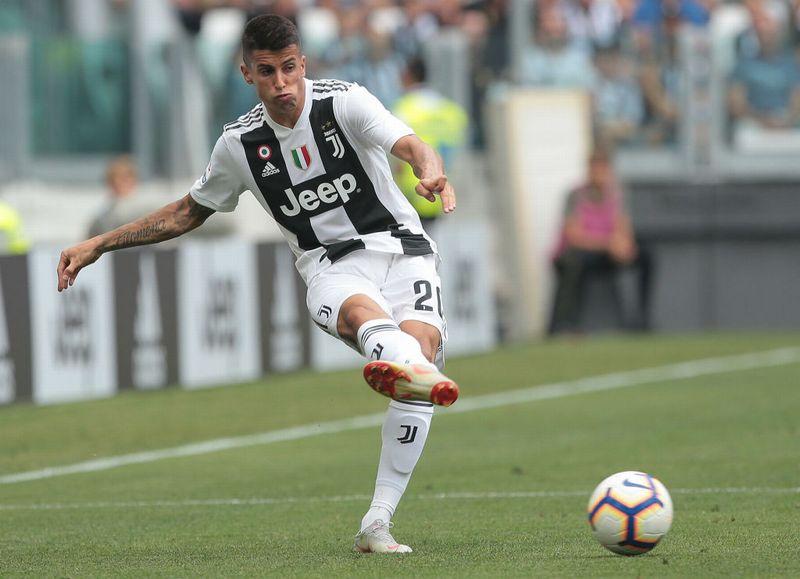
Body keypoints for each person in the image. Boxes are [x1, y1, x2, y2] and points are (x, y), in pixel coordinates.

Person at [56, 14, 459, 555]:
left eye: (289, 68)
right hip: (330, 267)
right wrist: (100, 243)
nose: (281, 83)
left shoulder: (345, 102)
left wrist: (430, 171)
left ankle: (377, 522)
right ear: (246, 73)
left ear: (303, 63)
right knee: (373, 326)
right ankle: (400, 361)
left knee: (421, 361)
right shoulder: (239, 144)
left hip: (403, 249)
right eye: (267, 72)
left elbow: (411, 145)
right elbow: (185, 213)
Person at [549, 149, 651, 334]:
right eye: (595, 169)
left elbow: (623, 227)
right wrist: (608, 243)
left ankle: (641, 320)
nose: (599, 174)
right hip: (578, 252)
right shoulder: (576, 195)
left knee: (645, 257)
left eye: (603, 169)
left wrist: (624, 245)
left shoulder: (617, 195)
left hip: (606, 254)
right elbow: (574, 237)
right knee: (573, 262)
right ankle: (564, 325)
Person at [392, 57, 468, 233]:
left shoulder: (403, 109)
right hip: (444, 189)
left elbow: (394, 158)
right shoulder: (449, 109)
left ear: (407, 76)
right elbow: (458, 144)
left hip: (413, 190)